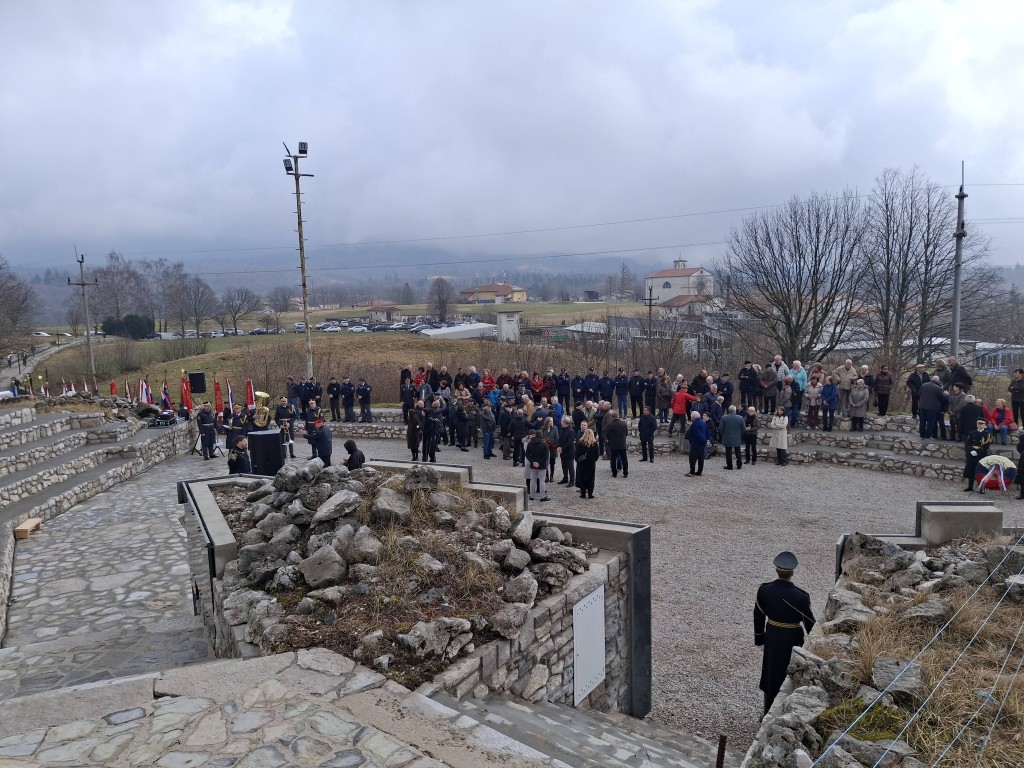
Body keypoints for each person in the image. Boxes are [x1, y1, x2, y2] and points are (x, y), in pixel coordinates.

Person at [754, 551, 815, 717]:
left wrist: (760, 638)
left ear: (776, 570)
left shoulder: (764, 591)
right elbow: (810, 623)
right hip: (793, 638)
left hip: (772, 636)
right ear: (792, 572)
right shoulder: (801, 597)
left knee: (770, 674)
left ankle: (767, 712)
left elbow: (758, 616)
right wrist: (813, 645)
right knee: (790, 674)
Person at [963, 418, 992, 492]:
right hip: (972, 454)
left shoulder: (987, 434)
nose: (979, 425)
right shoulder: (972, 432)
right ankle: (970, 486)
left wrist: (978, 452)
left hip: (981, 454)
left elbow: (986, 446)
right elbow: (967, 443)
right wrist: (970, 451)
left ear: (985, 425)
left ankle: (982, 487)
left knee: (981, 471)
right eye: (978, 424)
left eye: (981, 424)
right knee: (970, 470)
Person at [524, 430, 551, 502]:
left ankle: (532, 496)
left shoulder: (530, 443)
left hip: (533, 465)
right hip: (542, 465)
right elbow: (546, 456)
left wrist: (533, 462)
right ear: (542, 435)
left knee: (533, 480)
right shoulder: (545, 444)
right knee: (542, 481)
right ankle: (542, 496)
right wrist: (539, 463)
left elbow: (527, 454)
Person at [917, 376, 945, 440]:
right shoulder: (938, 388)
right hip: (933, 408)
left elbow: (919, 394)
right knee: (930, 422)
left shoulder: (923, 385)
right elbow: (942, 398)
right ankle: (928, 435)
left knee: (922, 422)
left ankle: (922, 434)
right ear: (937, 381)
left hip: (922, 406)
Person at [574, 428, 599, 499]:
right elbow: (597, 454)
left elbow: (576, 453)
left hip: (582, 463)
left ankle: (583, 493)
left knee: (582, 478)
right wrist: (593, 460)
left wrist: (577, 460)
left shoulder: (580, 442)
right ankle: (590, 494)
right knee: (591, 478)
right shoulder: (594, 443)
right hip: (591, 463)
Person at [686, 410, 711, 477]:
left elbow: (698, 434)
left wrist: (705, 441)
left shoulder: (695, 424)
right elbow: (707, 432)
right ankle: (699, 471)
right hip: (702, 444)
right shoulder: (703, 422)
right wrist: (707, 440)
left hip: (696, 443)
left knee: (692, 458)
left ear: (693, 417)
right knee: (701, 458)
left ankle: (692, 472)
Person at [720, 405, 745, 470]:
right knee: (738, 451)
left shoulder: (724, 418)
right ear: (735, 410)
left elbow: (721, 429)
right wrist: (739, 434)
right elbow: (743, 428)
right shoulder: (740, 418)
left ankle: (729, 465)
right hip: (737, 437)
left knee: (728, 452)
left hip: (727, 437)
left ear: (729, 410)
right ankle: (739, 465)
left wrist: (723, 435)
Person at [605, 411, 629, 477]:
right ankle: (625, 473)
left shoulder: (609, 425)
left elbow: (607, 435)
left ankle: (614, 473)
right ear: (618, 416)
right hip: (622, 444)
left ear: (612, 418)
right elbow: (626, 433)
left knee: (613, 459)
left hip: (613, 445)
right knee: (624, 459)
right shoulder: (623, 424)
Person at [557, 416, 576, 486]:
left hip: (569, 452)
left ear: (565, 422)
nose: (561, 423)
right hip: (562, 452)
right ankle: (565, 478)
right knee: (564, 466)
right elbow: (559, 439)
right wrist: (558, 446)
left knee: (570, 467)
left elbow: (570, 443)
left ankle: (572, 480)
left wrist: (562, 449)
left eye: (562, 422)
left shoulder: (571, 431)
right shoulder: (562, 429)